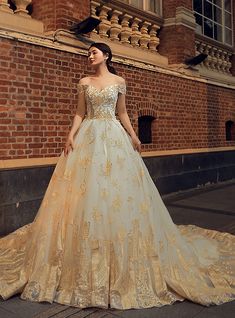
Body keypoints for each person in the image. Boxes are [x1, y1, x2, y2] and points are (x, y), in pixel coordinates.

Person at [0, 42, 234, 310]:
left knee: (118, 193)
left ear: (106, 56)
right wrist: (70, 135)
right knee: (86, 195)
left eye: (94, 52)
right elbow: (79, 112)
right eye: (88, 52)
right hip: (89, 136)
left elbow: (121, 112)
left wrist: (133, 136)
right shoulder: (84, 81)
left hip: (114, 138)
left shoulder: (119, 81)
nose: (90, 55)